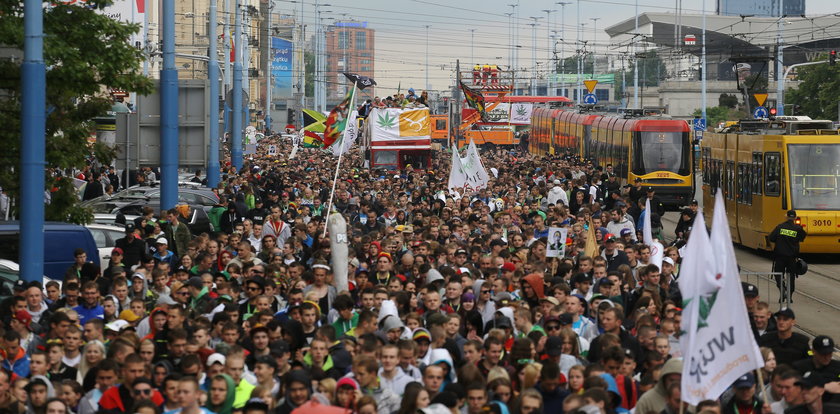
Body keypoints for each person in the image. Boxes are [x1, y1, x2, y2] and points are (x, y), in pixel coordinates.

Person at [768, 210, 806, 301]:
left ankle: (782, 289)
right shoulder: (798, 229)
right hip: (792, 258)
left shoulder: (780, 227)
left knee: (778, 274)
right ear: (795, 218)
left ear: (786, 216)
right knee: (791, 277)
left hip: (780, 257)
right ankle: (789, 295)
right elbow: (802, 238)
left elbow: (771, 238)